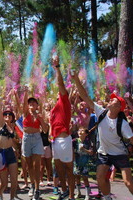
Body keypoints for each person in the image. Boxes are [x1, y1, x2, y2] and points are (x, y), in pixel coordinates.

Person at [73, 72, 133, 200]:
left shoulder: (123, 124)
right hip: (104, 153)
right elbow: (85, 97)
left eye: (113, 99)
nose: (110, 99)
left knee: (128, 183)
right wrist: (76, 79)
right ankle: (107, 198)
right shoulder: (101, 112)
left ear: (118, 107)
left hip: (119, 154)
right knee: (100, 177)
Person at [49, 56, 75, 200]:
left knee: (69, 170)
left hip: (64, 140)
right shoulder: (54, 109)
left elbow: (60, 84)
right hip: (55, 142)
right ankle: (64, 191)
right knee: (58, 169)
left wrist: (57, 68)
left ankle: (71, 195)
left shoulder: (64, 101)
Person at [21, 86, 48, 200]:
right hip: (26, 138)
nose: (31, 104)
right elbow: (23, 105)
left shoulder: (40, 115)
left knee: (36, 165)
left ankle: (37, 189)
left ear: (37, 105)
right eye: (30, 102)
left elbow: (46, 130)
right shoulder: (25, 113)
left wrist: (40, 119)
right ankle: (32, 185)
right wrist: (26, 92)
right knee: (29, 165)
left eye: (34, 102)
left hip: (37, 138)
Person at [0, 103, 18, 200]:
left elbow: (15, 142)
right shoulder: (1, 124)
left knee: (14, 180)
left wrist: (15, 149)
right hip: (1, 153)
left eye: (10, 115)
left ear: (12, 118)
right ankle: (0, 193)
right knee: (4, 182)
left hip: (10, 153)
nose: (7, 116)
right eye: (5, 115)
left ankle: (12, 198)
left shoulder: (14, 128)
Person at [72, 127, 93, 200]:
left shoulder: (88, 142)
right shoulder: (74, 141)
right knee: (77, 177)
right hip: (77, 162)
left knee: (85, 178)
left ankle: (87, 194)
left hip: (85, 162)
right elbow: (72, 150)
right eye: (79, 130)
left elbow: (91, 152)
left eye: (82, 131)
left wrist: (84, 150)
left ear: (86, 134)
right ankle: (78, 192)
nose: (80, 132)